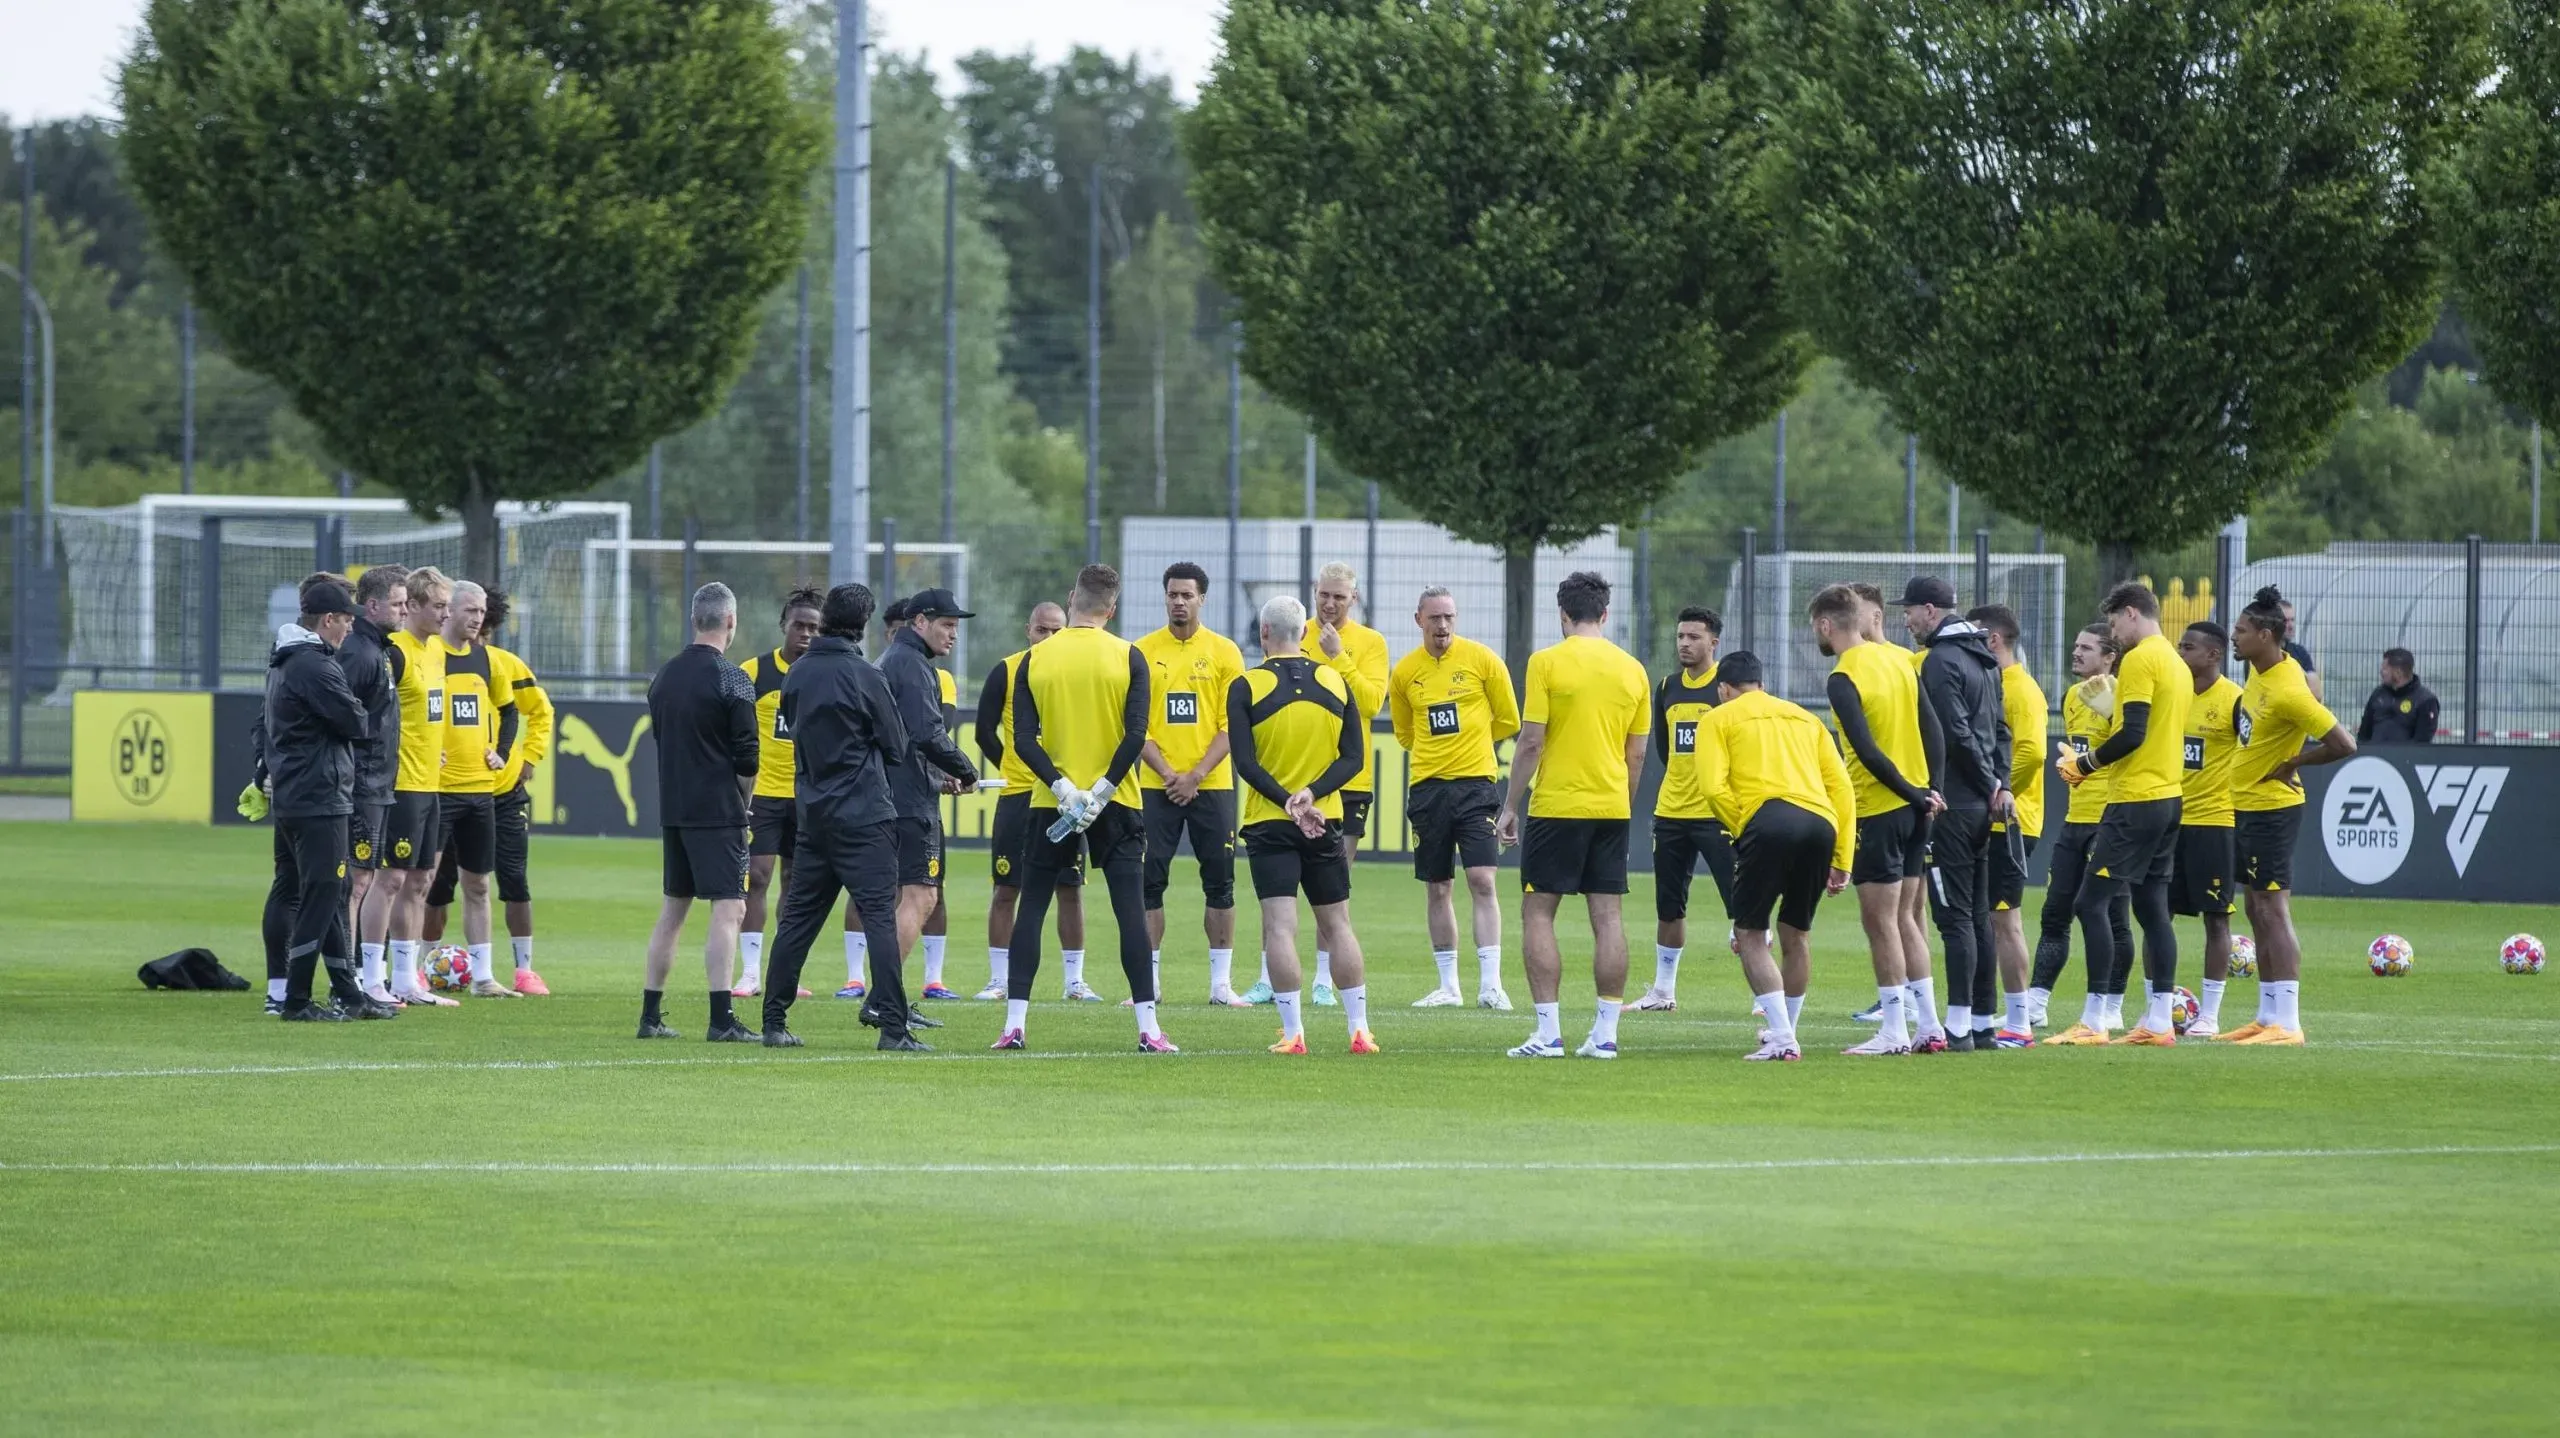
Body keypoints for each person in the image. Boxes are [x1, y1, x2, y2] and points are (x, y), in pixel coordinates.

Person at [998, 564, 1170, 1052]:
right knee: (1129, 912)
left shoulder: (1036, 657)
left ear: (1072, 599)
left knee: (1031, 906)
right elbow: (1136, 735)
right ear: (1111, 609)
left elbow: (1023, 738)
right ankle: (1149, 1030)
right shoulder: (1129, 656)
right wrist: (1102, 789)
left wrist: (1061, 787)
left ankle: (1014, 1025)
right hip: (1115, 802)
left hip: (1050, 801)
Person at [757, 583, 924, 1051]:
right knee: (879, 921)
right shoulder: (866, 676)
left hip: (813, 817)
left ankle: (774, 1021)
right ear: (864, 624)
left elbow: (794, 732)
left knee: (797, 922)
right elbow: (896, 747)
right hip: (865, 817)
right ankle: (893, 1028)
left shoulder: (797, 675)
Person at [1495, 571, 1650, 1060]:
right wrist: (1621, 803)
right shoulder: (1634, 670)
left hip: (1558, 806)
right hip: (1611, 807)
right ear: (1605, 614)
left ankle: (1548, 1034)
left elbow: (1532, 740)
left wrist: (1510, 807)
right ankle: (1605, 1034)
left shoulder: (1546, 663)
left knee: (1539, 912)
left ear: (1563, 614)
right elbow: (1638, 754)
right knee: (1607, 917)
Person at [1228, 595, 1379, 1054]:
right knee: (1338, 925)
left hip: (1271, 821)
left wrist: (1289, 800)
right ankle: (1359, 1030)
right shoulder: (1335, 681)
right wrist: (1312, 795)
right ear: (1305, 633)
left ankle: (1294, 1034)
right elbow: (1354, 757)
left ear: (1264, 634)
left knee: (1279, 927)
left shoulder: (1246, 685)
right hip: (1325, 818)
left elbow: (1244, 762)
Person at [1689, 651, 1856, 1061]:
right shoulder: (1806, 719)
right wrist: (1843, 856)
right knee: (1796, 933)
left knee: (1749, 933)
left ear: (1723, 688)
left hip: (1768, 820)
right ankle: (1786, 1030)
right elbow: (1843, 790)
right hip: (1821, 822)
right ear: (1760, 683)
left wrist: (1743, 828)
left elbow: (1712, 787)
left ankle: (1782, 1038)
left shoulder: (1717, 718)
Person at [2055, 582, 2192, 1047]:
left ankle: (2094, 1021)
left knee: (2089, 904)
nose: (2114, 636)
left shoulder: (2140, 659)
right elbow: (2148, 728)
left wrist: (2083, 764)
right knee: (2153, 908)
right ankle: (2158, 1022)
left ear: (2131, 614)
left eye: (2114, 625)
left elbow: (2132, 734)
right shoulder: (2175, 660)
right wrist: (2111, 710)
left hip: (2135, 798)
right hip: (2169, 796)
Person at [2219, 586, 2356, 1046]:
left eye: (2240, 632)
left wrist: (2295, 762)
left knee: (2274, 909)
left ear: (2264, 634)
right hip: (2246, 805)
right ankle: (2266, 1015)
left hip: (2273, 811)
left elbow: (2344, 744)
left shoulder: (2289, 691)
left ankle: (2290, 1023)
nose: (2233, 638)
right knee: (2257, 908)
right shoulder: (2263, 670)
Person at [1811, 584, 1943, 1057]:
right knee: (1908, 918)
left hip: (1879, 808)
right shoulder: (1900, 660)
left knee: (1881, 922)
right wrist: (1931, 791)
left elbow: (1865, 752)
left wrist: (1910, 792)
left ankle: (1893, 1030)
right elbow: (1933, 728)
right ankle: (1929, 1024)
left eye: (1816, 628)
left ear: (1826, 624)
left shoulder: (1843, 676)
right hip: (1917, 809)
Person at [637, 582, 763, 1043]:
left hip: (675, 806)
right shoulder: (733, 678)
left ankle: (650, 1015)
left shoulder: (664, 677)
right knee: (729, 909)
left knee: (674, 909)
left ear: (694, 620)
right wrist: (743, 803)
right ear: (730, 621)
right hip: (719, 809)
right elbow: (748, 759)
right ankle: (721, 1017)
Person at [263, 581, 391, 1021]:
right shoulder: (313, 665)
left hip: (299, 793)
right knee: (321, 894)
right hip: (319, 795)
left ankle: (347, 992)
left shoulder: (286, 661)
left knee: (331, 889)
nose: (350, 626)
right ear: (328, 620)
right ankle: (296, 999)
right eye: (346, 618)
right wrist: (360, 707)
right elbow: (356, 721)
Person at [1387, 585, 1519, 1009]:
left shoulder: (1482, 660)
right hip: (1428, 789)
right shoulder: (1406, 672)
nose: (1442, 625)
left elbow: (1508, 718)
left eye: (1449, 617)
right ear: (1418, 620)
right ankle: (1449, 986)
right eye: (1434, 618)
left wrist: (1473, 741)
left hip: (1476, 787)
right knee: (1438, 886)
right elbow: (1405, 732)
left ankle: (1491, 985)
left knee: (1482, 880)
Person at [1903, 577, 2013, 1052]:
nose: (1905, 621)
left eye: (1908, 611)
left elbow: (1954, 732)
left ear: (1930, 610)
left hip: (1955, 803)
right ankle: (1984, 1022)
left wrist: (1989, 782)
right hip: (1984, 804)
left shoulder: (1941, 661)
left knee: (1954, 918)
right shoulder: (1985, 657)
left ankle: (1960, 1026)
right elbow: (2001, 730)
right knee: (1979, 914)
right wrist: (2001, 784)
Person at [1134, 562, 1248, 1006]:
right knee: (1149, 880)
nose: (1179, 602)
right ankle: (1150, 983)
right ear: (1164, 597)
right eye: (1172, 594)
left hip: (1212, 785)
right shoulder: (1141, 652)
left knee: (1220, 881)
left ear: (1203, 599)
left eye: (1187, 595)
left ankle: (1221, 984)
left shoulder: (1224, 653)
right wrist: (1168, 774)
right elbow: (1135, 724)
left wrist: (1196, 774)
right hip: (1154, 785)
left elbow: (1231, 725)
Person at [973, 602, 1090, 1001]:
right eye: (1043, 630)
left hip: (1066, 799)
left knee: (1069, 887)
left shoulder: (1076, 671)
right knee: (1007, 887)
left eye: (1058, 631)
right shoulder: (1007, 670)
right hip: (1020, 795)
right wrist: (1011, 766)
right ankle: (999, 980)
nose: (1050, 638)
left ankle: (1075, 981)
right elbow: (984, 731)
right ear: (1028, 631)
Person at [2034, 623, 2135, 1041]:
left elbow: (2136, 744)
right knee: (2055, 911)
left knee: (2112, 915)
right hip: (2075, 820)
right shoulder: (2073, 697)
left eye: (2087, 647)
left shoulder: (2124, 696)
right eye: (2075, 646)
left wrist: (2114, 709)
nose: (2076, 653)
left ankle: (2111, 1007)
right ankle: (2036, 1003)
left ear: (2110, 656)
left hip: (2110, 819)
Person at [881, 588, 978, 1012]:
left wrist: (937, 776)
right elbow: (926, 734)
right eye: (947, 625)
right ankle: (885, 1000)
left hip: (896, 793)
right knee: (921, 897)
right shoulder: (914, 666)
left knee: (906, 897)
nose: (953, 635)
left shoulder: (895, 660)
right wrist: (965, 769)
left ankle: (886, 997)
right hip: (908, 804)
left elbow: (906, 743)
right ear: (919, 622)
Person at [1300, 561, 1389, 1005]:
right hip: (1295, 775)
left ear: (1353, 599)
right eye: (1324, 595)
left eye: (1339, 596)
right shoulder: (1295, 633)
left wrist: (1338, 656)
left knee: (1333, 879)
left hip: (1347, 779)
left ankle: (1322, 978)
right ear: (1313, 593)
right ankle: (1268, 975)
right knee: (1275, 874)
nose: (1330, 604)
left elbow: (1371, 702)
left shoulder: (1370, 643)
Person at [733, 587, 825, 1002]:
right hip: (764, 793)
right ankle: (750, 973)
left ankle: (785, 973)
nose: (805, 633)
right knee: (757, 876)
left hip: (810, 794)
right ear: (783, 626)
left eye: (813, 627)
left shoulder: (826, 672)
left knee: (797, 881)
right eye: (798, 625)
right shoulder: (753, 672)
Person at [1641, 606, 1732, 1013]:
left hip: (1718, 814)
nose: (1684, 644)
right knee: (1669, 905)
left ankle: (1764, 996)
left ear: (1714, 642)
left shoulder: (1726, 689)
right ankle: (1663, 990)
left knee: (1743, 904)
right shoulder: (1665, 687)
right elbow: (1664, 750)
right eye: (1680, 636)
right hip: (1672, 814)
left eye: (1694, 637)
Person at [433, 581, 516, 998]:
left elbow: (510, 709)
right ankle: (406, 970)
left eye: (482, 611)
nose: (477, 618)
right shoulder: (429, 656)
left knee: (479, 885)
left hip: (479, 791)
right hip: (435, 790)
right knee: (420, 883)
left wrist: (501, 752)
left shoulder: (487, 661)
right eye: (470, 610)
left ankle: (483, 976)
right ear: (448, 611)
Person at [1970, 604, 2046, 1048]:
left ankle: (2019, 1021)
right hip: (1997, 819)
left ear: (1993, 640)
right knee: (1989, 919)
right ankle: (2001, 1012)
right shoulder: (1998, 684)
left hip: (2010, 823)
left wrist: (1999, 792)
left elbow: (2033, 753)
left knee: (2005, 920)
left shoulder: (2020, 690)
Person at [381, 567, 453, 1005]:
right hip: (402, 783)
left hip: (431, 781)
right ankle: (373, 973)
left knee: (422, 880)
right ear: (415, 607)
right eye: (440, 606)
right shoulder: (395, 651)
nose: (446, 614)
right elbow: (381, 718)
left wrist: (435, 749)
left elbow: (426, 713)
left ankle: (407, 979)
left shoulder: (437, 652)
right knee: (391, 880)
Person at [2172, 620, 2244, 1038]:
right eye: (2179, 645)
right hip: (2168, 819)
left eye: (2189, 646)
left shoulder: (2235, 700)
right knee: (2156, 914)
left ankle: (2211, 1014)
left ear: (2214, 654)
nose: (2181, 652)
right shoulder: (2175, 695)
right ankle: (2157, 1008)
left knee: (2216, 919)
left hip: (2215, 822)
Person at [340, 564, 405, 1004]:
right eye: (398, 603)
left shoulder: (378, 649)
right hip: (362, 783)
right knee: (356, 881)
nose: (404, 611)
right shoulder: (360, 653)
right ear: (373, 604)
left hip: (376, 783)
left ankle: (356, 975)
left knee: (361, 878)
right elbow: (342, 717)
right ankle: (345, 976)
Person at [481, 591, 551, 994]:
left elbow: (540, 711)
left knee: (514, 881)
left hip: (505, 792)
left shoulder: (507, 665)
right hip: (450, 790)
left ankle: (524, 970)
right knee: (432, 884)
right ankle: (417, 967)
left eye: (486, 628)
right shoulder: (435, 659)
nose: (479, 635)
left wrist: (529, 758)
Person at [2358, 648, 2440, 744]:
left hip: (2406, 758)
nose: (2381, 672)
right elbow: (2364, 733)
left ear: (2398, 672)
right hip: (2375, 757)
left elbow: (2422, 742)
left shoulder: (2426, 700)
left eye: (2385, 668)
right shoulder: (2378, 694)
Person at [2279, 598, 2322, 701]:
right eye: (2285, 621)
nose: (2291, 625)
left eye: (2292, 620)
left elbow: (2316, 694)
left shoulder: (2299, 652)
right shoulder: (2261, 653)